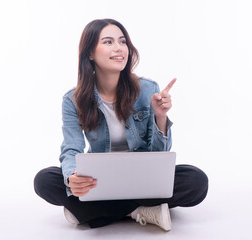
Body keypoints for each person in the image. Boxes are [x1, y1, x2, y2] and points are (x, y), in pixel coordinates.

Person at [34, 18, 208, 231]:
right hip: (101, 181)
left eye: (122, 41)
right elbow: (71, 148)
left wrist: (160, 116)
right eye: (108, 42)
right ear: (90, 53)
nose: (119, 48)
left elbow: (160, 155)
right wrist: (72, 178)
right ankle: (140, 211)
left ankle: (89, 212)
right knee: (44, 180)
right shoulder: (73, 100)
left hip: (144, 179)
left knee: (196, 180)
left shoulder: (147, 89)